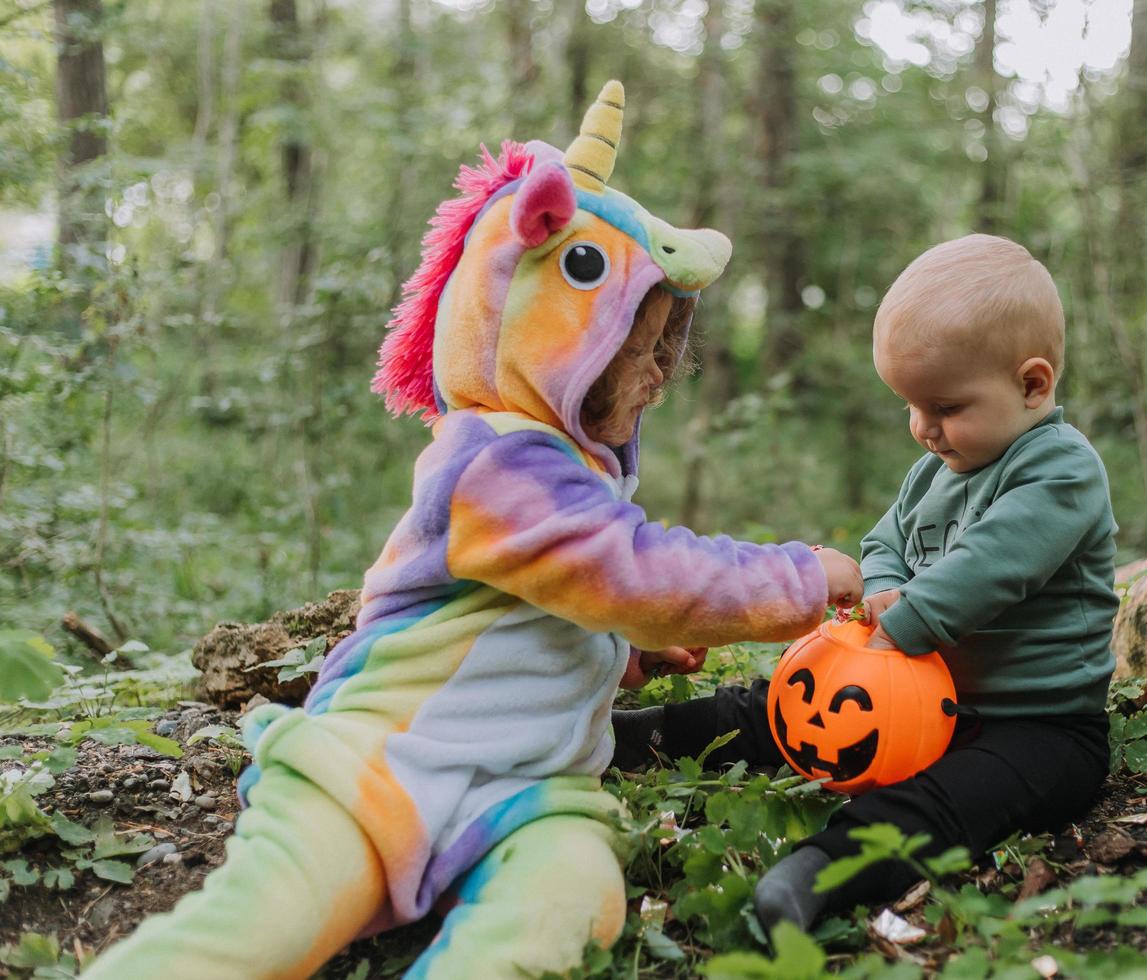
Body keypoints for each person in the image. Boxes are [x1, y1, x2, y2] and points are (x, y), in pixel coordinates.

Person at [83, 82, 862, 980]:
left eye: (664, 351)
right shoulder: (493, 461)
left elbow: (546, 607)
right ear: (557, 336)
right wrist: (803, 578)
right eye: (637, 347)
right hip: (381, 767)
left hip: (529, 798)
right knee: (268, 922)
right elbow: (630, 575)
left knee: (569, 900)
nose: (659, 375)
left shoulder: (567, 469)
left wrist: (615, 656)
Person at [612, 233, 1119, 933]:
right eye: (910, 407)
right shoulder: (935, 473)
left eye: (944, 408)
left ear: (1032, 384)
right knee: (769, 711)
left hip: (1036, 727)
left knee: (950, 800)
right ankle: (636, 739)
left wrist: (902, 621)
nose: (923, 429)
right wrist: (879, 595)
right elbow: (885, 542)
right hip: (912, 700)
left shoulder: (1061, 470)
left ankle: (822, 871)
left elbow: (995, 565)